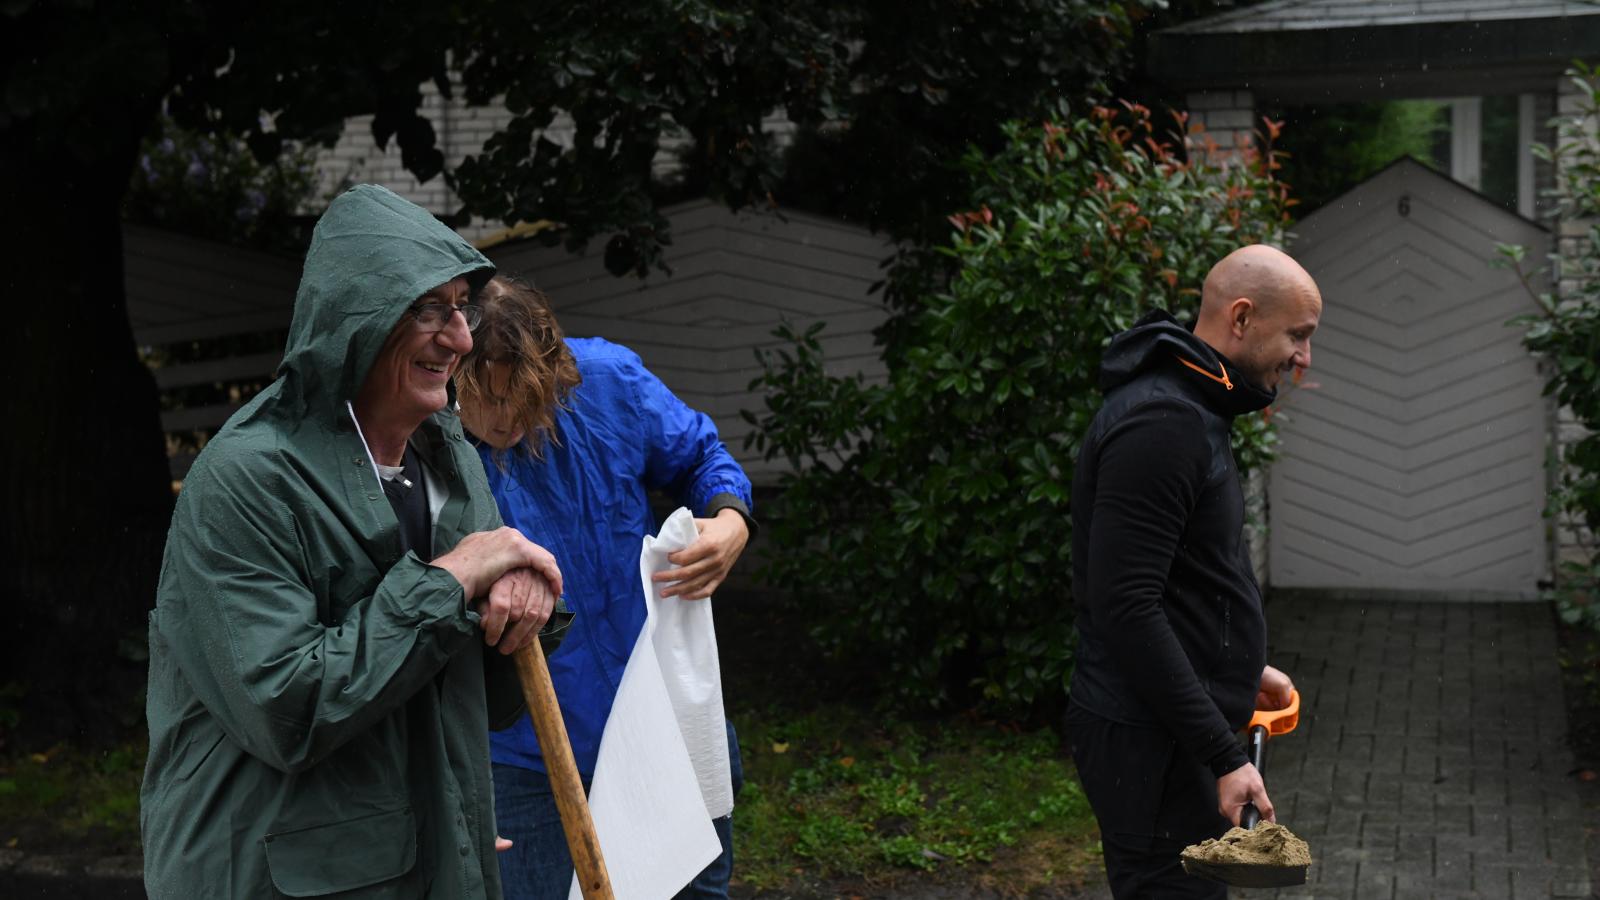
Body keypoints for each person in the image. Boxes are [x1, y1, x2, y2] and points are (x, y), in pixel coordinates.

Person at [141, 185, 562, 899]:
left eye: (461, 308)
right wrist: (454, 578)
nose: (459, 338)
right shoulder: (249, 480)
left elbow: (473, 692)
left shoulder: (447, 457)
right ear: (355, 321)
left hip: (417, 858)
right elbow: (289, 710)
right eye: (429, 309)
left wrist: (515, 601)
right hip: (273, 875)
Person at [454, 275, 755, 900]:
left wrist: (730, 521)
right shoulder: (428, 441)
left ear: (552, 370)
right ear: (456, 371)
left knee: (696, 888)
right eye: (488, 398)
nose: (507, 419)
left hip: (660, 714)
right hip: (525, 754)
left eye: (525, 398)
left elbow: (701, 457)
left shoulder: (608, 381)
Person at [1065, 244, 1320, 898]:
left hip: (1167, 731)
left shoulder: (1192, 408)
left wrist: (1238, 665)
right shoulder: (1163, 421)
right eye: (1298, 334)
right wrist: (1224, 755)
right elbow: (1126, 606)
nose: (1304, 357)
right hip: (1150, 745)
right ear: (1241, 317)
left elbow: (1180, 581)